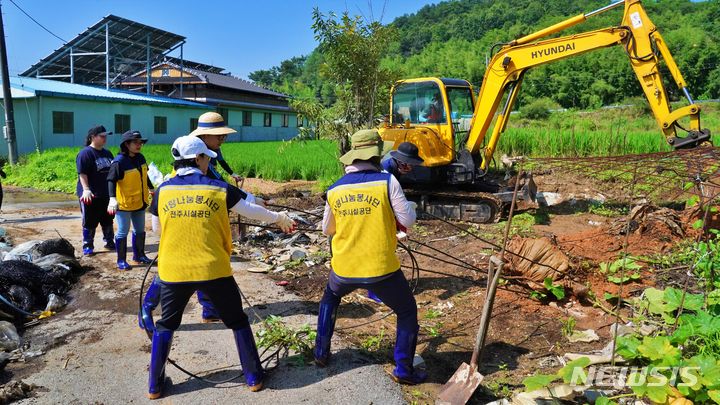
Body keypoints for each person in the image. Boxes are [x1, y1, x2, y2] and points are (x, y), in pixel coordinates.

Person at [144, 135, 295, 399]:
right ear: (199, 159)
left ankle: (155, 387)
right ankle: (254, 377)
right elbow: (250, 211)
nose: (206, 164)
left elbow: (157, 229)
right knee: (237, 320)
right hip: (213, 268)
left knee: (166, 324)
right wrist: (279, 218)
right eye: (205, 159)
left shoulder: (163, 191)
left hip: (173, 270)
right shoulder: (217, 188)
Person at [314, 129, 426, 385]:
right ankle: (403, 371)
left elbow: (326, 229)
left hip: (344, 269)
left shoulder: (335, 189)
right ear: (377, 155)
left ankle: (320, 352)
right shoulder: (388, 181)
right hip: (381, 270)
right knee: (407, 310)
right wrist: (408, 208)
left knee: (330, 299)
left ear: (353, 157)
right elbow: (407, 220)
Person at [107, 130, 154, 270]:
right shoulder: (119, 161)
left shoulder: (141, 158)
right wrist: (112, 199)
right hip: (124, 203)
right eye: (135, 142)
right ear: (127, 144)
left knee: (140, 230)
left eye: (140, 142)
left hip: (139, 201)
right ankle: (121, 260)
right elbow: (111, 180)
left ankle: (139, 255)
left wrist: (152, 188)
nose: (139, 145)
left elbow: (144, 175)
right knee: (123, 231)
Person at [76, 125, 115, 256]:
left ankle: (109, 241)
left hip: (106, 193)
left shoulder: (108, 153)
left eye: (106, 136)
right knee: (90, 220)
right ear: (93, 137)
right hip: (91, 194)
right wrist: (86, 189)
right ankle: (88, 245)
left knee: (108, 219)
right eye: (102, 136)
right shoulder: (85, 153)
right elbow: (82, 173)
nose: (105, 139)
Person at [190, 112, 243, 184]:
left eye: (224, 137)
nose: (222, 141)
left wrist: (232, 174)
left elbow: (221, 162)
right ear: (205, 135)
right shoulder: (195, 154)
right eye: (219, 137)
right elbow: (220, 182)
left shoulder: (214, 148)